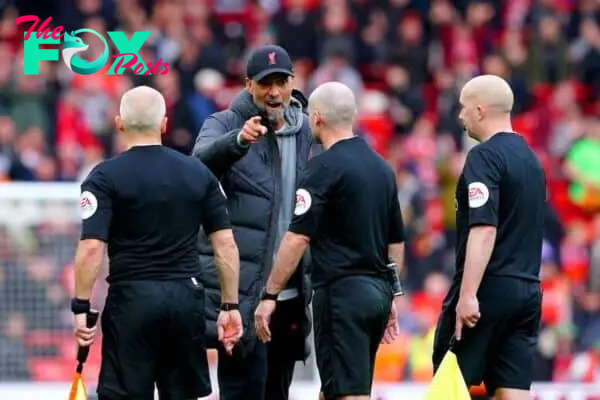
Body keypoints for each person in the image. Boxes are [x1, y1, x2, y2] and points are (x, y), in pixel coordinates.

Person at [71, 85, 243, 400]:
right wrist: (229, 306)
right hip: (184, 299)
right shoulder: (199, 173)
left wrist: (82, 306)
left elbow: (92, 247)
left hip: (131, 300)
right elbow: (226, 246)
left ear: (119, 123)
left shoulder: (103, 177)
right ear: (164, 123)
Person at [254, 81, 406, 400]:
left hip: (341, 295)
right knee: (336, 388)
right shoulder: (382, 168)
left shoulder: (322, 168)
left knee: (348, 394)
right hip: (376, 294)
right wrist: (392, 293)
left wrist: (270, 294)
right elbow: (396, 242)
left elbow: (297, 238)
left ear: (318, 117)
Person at [191, 45, 315, 400]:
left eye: (281, 82)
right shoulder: (224, 123)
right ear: (248, 85)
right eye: (265, 84)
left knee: (279, 391)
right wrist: (237, 142)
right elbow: (197, 166)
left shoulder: (307, 129)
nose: (274, 92)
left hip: (289, 293)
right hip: (242, 294)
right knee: (241, 391)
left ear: (293, 82)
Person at [431, 75, 546, 400]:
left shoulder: (483, 157)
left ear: (480, 111)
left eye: (464, 108)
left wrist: (468, 295)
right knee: (513, 391)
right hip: (527, 291)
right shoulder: (532, 160)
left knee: (448, 388)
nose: (460, 116)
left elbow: (484, 227)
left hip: (487, 290)